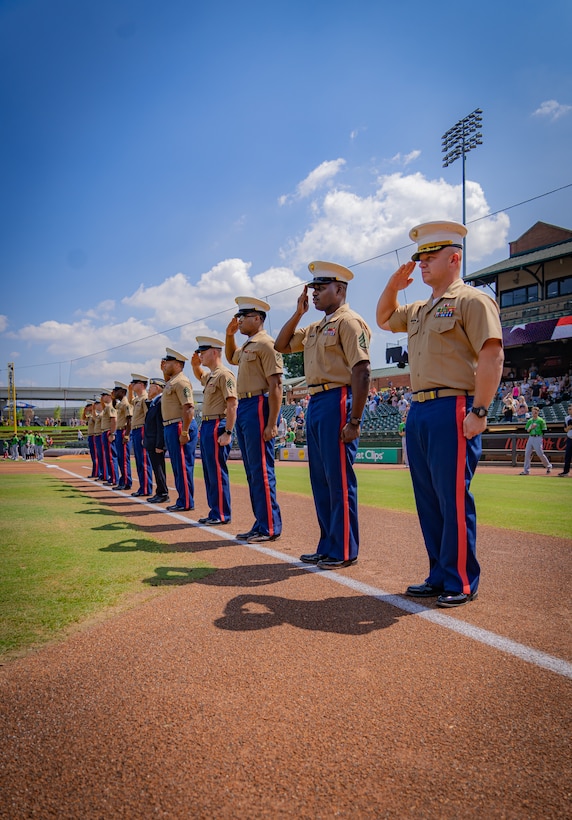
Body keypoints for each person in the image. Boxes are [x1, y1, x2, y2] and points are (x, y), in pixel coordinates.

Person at [376, 220, 504, 607]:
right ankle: (438, 573)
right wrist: (393, 287)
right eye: (420, 258)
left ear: (454, 258)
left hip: (455, 405)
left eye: (430, 257)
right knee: (429, 499)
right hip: (419, 409)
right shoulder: (417, 309)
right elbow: (384, 319)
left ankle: (461, 579)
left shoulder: (472, 301)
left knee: (452, 497)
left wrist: (480, 410)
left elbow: (492, 354)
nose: (423, 264)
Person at [275, 261, 371, 569]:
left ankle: (343, 548)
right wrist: (299, 312)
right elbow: (280, 345)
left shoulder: (349, 322)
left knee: (339, 480)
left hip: (337, 398)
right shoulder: (315, 327)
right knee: (321, 481)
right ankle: (327, 543)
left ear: (339, 289)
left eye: (320, 288)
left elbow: (362, 370)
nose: (314, 294)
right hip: (316, 402)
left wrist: (354, 419)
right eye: (313, 289)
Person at [225, 296, 283, 542]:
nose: (239, 321)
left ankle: (270, 526)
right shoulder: (249, 345)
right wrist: (230, 336)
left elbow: (276, 384)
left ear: (258, 318)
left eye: (244, 317)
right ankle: (261, 522)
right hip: (246, 405)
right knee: (252, 470)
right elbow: (231, 357)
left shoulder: (267, 344)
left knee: (261, 469)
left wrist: (271, 423)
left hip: (259, 404)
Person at [191, 336, 238, 525]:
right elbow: (200, 375)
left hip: (218, 424)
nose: (200, 355)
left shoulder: (224, 375)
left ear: (215, 352)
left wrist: (228, 431)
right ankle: (215, 511)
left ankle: (221, 514)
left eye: (203, 352)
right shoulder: (211, 375)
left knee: (217, 471)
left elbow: (232, 403)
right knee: (210, 472)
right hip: (208, 425)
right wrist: (195, 365)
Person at [160, 347, 198, 511]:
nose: (164, 364)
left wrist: (184, 431)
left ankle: (187, 502)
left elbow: (188, 407)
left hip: (179, 425)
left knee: (182, 465)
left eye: (167, 362)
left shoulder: (181, 381)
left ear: (176, 364)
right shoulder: (172, 381)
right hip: (171, 425)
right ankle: (183, 499)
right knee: (177, 465)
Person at [144, 378, 170, 503]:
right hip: (152, 441)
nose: (149, 389)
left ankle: (163, 493)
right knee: (156, 468)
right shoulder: (154, 402)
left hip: (156, 442)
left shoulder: (160, 402)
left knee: (159, 468)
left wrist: (160, 444)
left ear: (159, 388)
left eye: (152, 386)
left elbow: (160, 425)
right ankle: (160, 492)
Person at [129, 374, 153, 497]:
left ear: (142, 384)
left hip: (142, 429)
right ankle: (142, 487)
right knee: (139, 460)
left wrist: (147, 435)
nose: (132, 385)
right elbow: (129, 401)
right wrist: (129, 391)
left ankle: (146, 488)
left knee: (144, 460)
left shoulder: (145, 398)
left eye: (135, 383)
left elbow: (148, 417)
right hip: (136, 430)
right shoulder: (137, 399)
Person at [112, 381, 133, 490]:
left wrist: (127, 435)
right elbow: (114, 405)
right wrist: (113, 398)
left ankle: (126, 482)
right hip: (119, 431)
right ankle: (123, 480)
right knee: (121, 458)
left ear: (123, 391)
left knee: (124, 459)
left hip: (124, 431)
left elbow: (129, 420)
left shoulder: (126, 403)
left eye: (116, 391)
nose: (114, 392)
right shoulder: (121, 403)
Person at [519, 406, 552, 475]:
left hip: (538, 437)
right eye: (533, 412)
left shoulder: (541, 420)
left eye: (536, 412)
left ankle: (548, 466)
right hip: (531, 437)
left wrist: (538, 433)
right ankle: (526, 471)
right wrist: (531, 427)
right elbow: (527, 430)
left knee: (540, 453)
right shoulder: (530, 421)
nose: (534, 413)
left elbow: (544, 430)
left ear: (538, 412)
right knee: (527, 453)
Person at [100, 389, 119, 486]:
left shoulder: (111, 406)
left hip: (108, 431)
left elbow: (114, 420)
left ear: (109, 396)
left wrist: (112, 433)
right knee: (108, 456)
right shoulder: (107, 407)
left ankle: (114, 479)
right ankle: (112, 477)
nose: (102, 397)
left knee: (111, 457)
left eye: (104, 395)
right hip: (105, 431)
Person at [558, 403, 572, 476]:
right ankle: (566, 471)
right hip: (570, 438)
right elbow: (565, 429)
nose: (569, 411)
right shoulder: (567, 418)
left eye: (570, 409)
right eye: (569, 409)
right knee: (567, 456)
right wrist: (569, 427)